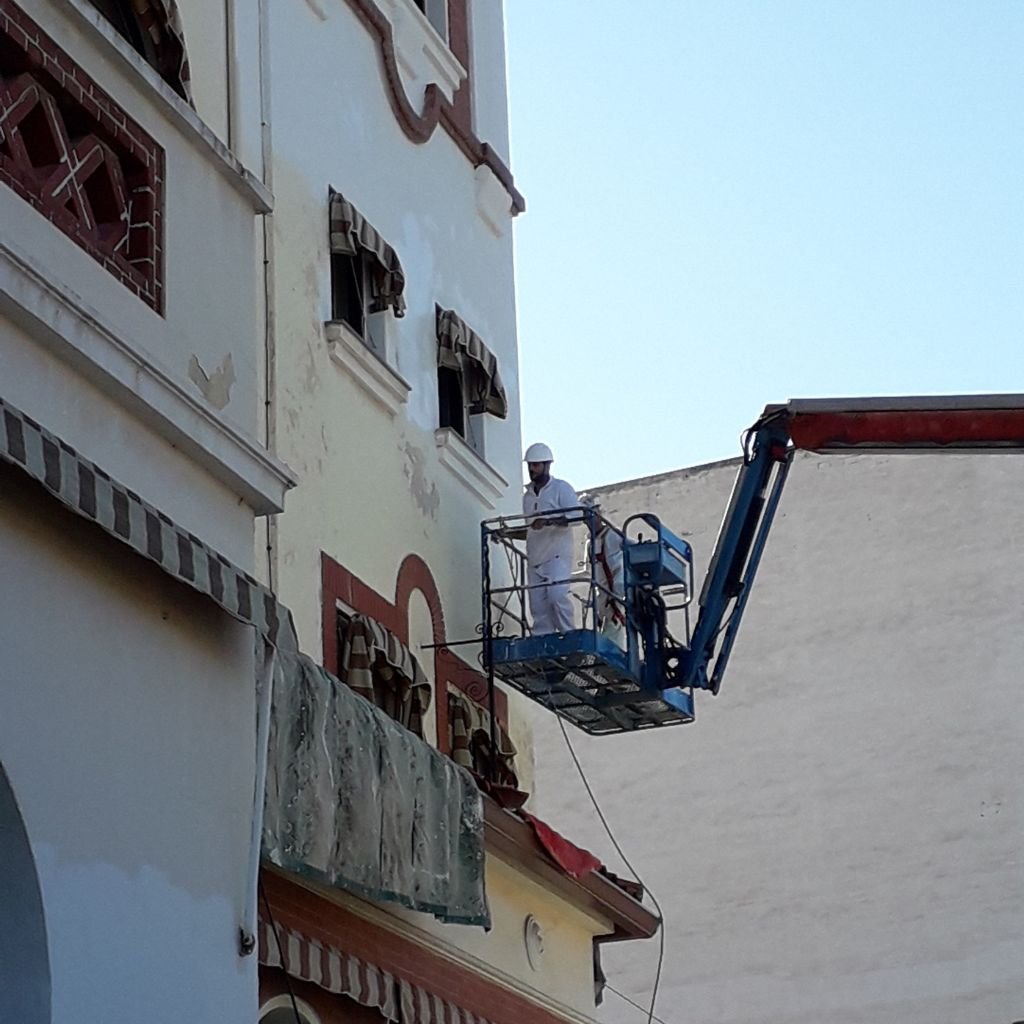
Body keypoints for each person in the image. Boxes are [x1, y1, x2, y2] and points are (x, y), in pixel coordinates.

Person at [522, 443, 578, 635]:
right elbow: (530, 530)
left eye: (536, 465)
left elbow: (577, 517)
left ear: (547, 465)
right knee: (538, 609)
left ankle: (569, 637)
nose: (532, 469)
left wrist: (548, 521)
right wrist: (506, 534)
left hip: (556, 556)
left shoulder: (561, 488)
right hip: (535, 559)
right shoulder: (527, 497)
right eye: (530, 465)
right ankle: (543, 644)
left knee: (557, 597)